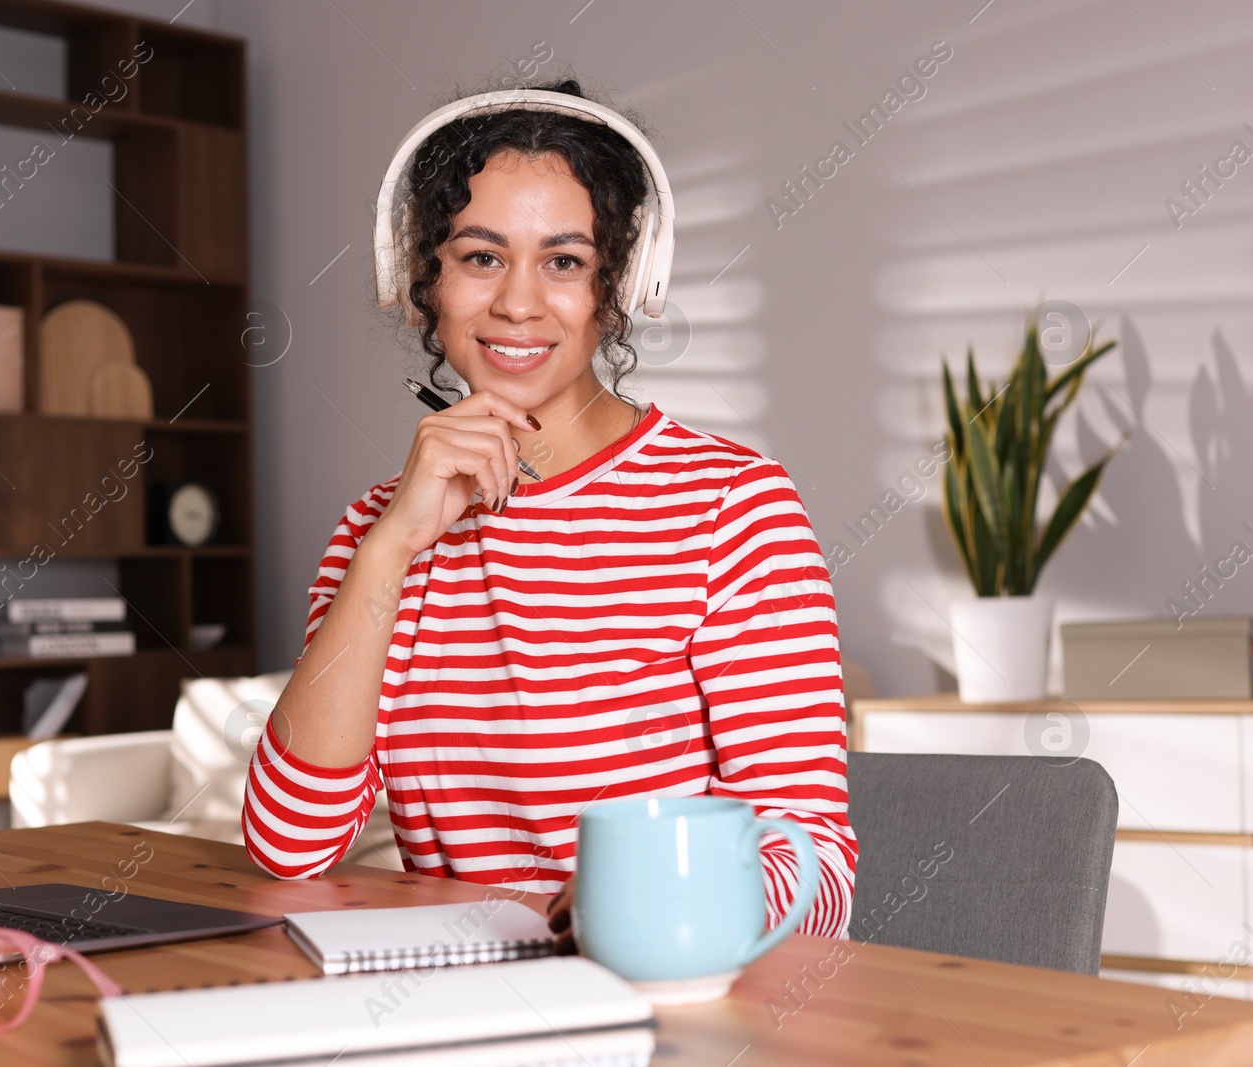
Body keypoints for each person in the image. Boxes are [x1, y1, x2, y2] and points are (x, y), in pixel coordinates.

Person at [242, 80, 857, 947]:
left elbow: (816, 868)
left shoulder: (733, 508)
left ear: (618, 283)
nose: (519, 304)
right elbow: (287, 845)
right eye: (480, 256)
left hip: (671, 1001)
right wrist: (390, 552)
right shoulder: (376, 529)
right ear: (422, 278)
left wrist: (631, 905)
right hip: (460, 1007)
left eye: (563, 260)